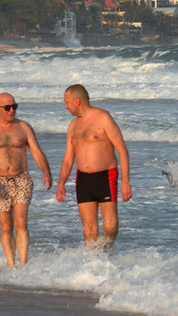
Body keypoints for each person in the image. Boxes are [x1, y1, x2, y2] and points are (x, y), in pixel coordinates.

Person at [0, 92, 52, 268]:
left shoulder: (23, 127)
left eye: (14, 106)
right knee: (5, 226)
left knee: (21, 222)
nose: (12, 110)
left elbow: (36, 151)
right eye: (7, 107)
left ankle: (23, 264)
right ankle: (12, 265)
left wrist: (47, 173)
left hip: (22, 179)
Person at [55, 84, 131, 251]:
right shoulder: (73, 125)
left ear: (77, 101)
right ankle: (92, 261)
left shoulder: (103, 118)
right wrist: (61, 183)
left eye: (67, 102)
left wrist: (125, 182)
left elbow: (122, 150)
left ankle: (106, 252)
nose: (65, 106)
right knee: (89, 229)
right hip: (83, 179)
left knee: (110, 225)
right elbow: (68, 159)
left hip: (105, 176)